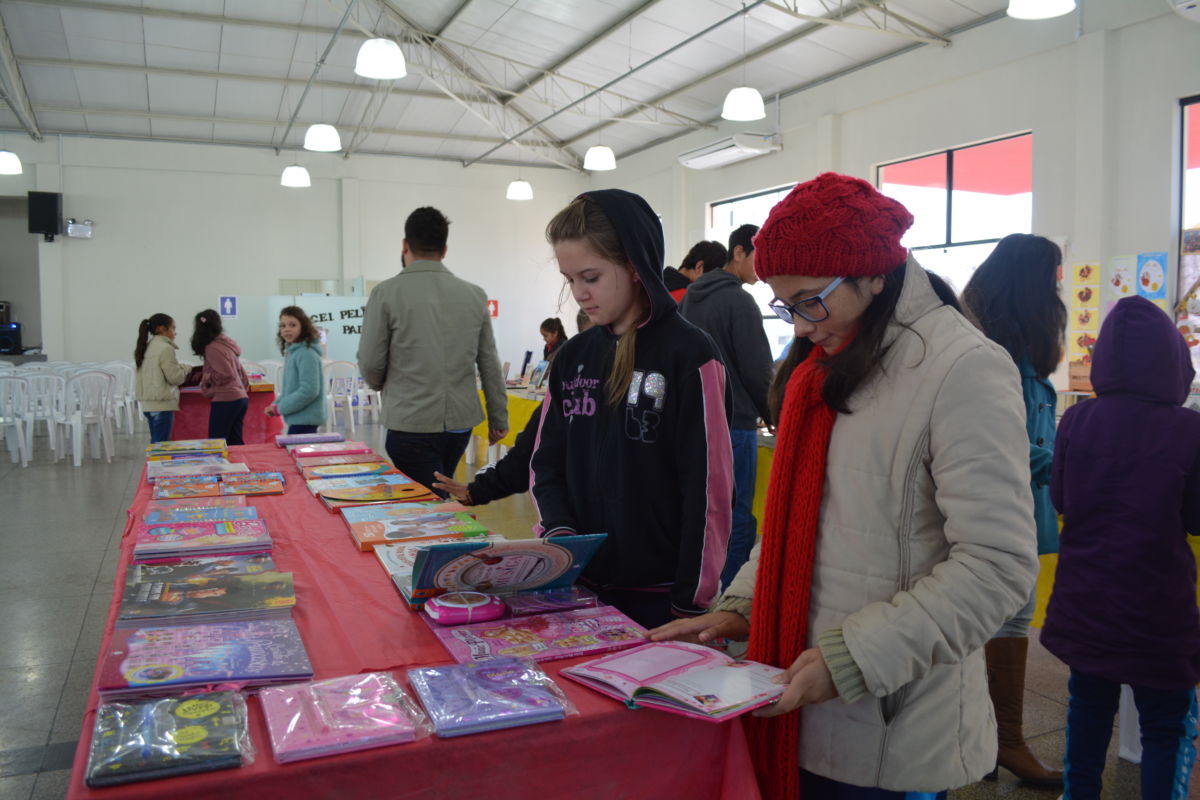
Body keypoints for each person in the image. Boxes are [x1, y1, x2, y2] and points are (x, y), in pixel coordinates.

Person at [649, 172, 1038, 799]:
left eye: (810, 301)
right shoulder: (826, 364)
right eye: (787, 306)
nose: (800, 325)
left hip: (892, 716)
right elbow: (795, 529)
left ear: (874, 275)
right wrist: (740, 607)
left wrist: (855, 657)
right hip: (798, 691)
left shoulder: (963, 367)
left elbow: (998, 567)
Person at [529, 188, 735, 629]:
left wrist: (692, 601)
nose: (580, 294)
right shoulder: (572, 357)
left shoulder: (690, 354)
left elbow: (709, 488)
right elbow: (544, 464)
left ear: (635, 266)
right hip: (578, 586)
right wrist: (560, 535)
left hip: (660, 598)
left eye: (591, 277)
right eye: (570, 280)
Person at [1041, 296, 1200, 800]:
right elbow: (1195, 518)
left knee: (1087, 708)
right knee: (1166, 720)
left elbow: (1062, 498)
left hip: (1085, 600)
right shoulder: (1189, 430)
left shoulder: (1077, 421)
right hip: (1159, 608)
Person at [961, 233, 1067, 786]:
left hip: (1016, 510)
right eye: (1054, 276)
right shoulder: (998, 357)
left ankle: (989, 740)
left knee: (1003, 619)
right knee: (1005, 617)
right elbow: (1001, 443)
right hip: (1001, 513)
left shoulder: (1006, 348)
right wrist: (1065, 458)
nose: (1061, 289)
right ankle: (1005, 740)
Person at [358, 206, 508, 496]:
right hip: (459, 425)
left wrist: (378, 383)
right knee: (437, 492)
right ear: (445, 249)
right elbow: (489, 361)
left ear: (405, 245)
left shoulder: (386, 293)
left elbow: (371, 360)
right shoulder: (473, 294)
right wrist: (498, 418)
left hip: (409, 420)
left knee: (423, 502)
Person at [679, 226, 772, 590]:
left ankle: (701, 592)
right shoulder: (740, 301)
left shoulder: (690, 298)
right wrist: (776, 415)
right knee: (737, 517)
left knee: (704, 513)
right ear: (738, 252)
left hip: (696, 422)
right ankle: (733, 600)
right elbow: (757, 370)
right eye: (757, 257)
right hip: (735, 424)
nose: (761, 269)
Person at [190, 310, 249, 445]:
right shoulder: (226, 344)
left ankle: (222, 467)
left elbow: (226, 374)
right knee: (235, 441)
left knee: (216, 443)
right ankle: (241, 465)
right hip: (239, 397)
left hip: (226, 398)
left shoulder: (212, 348)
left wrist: (206, 377)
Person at [267, 305, 326, 435]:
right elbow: (290, 389)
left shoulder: (306, 354)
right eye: (283, 326)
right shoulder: (293, 353)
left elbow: (309, 391)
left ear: (303, 328)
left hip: (306, 420)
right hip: (298, 418)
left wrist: (280, 408)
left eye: (292, 325)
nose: (287, 329)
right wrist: (275, 405)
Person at [133, 313, 189, 443]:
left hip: (149, 404)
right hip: (161, 405)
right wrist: (186, 369)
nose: (175, 333)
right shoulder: (165, 348)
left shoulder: (147, 346)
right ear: (161, 329)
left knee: (156, 445)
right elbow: (175, 378)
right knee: (161, 449)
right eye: (173, 328)